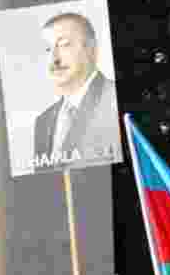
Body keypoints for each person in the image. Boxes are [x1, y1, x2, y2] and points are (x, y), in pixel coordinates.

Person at [32, 12, 120, 172]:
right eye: (47, 49)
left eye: (64, 44)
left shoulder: (116, 100)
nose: (54, 59)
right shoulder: (43, 122)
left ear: (92, 50)